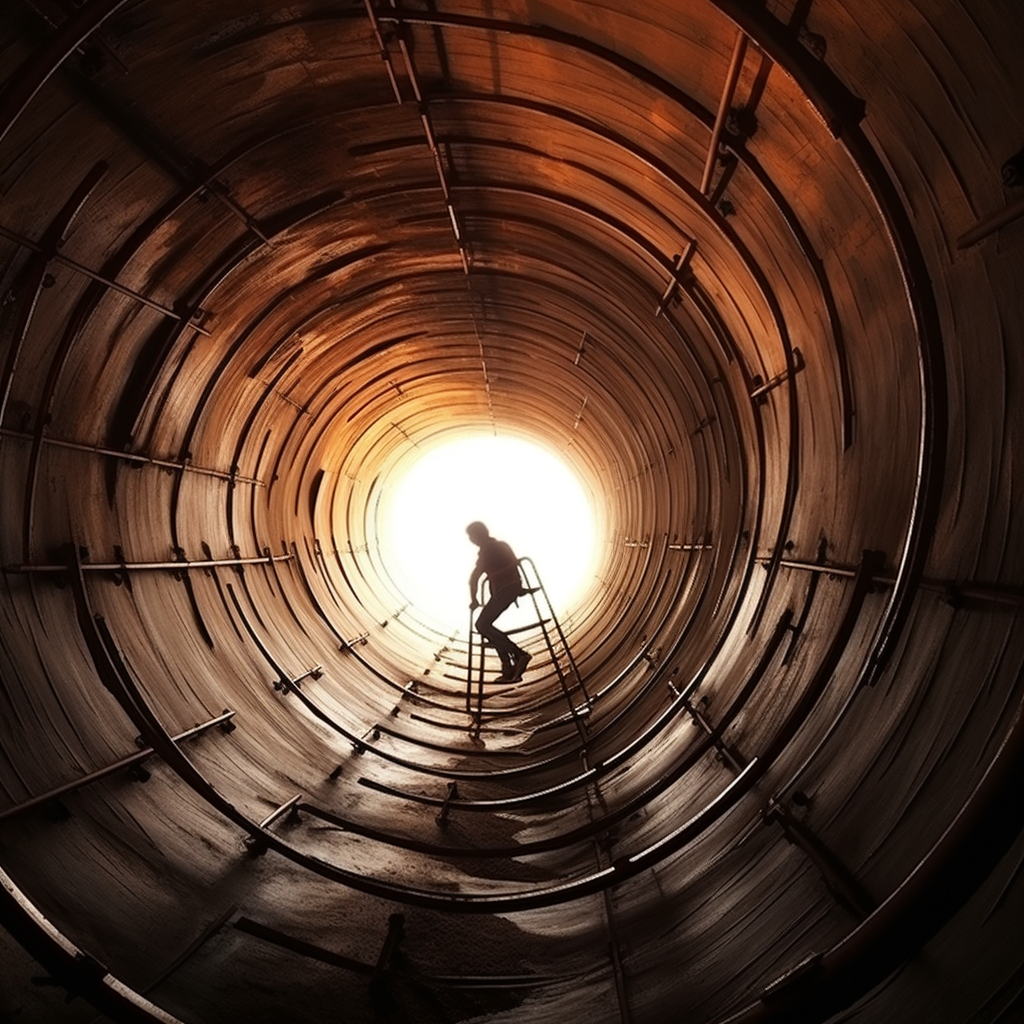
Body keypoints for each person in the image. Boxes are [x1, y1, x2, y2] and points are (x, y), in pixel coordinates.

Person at [466, 521, 531, 682]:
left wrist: (474, 600)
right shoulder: (502, 545)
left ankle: (518, 655)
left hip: (504, 591)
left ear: (477, 536)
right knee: (486, 626)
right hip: (514, 588)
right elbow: (515, 565)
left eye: (471, 536)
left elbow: (473, 579)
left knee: (482, 625)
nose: (471, 540)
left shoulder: (486, 551)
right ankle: (508, 668)